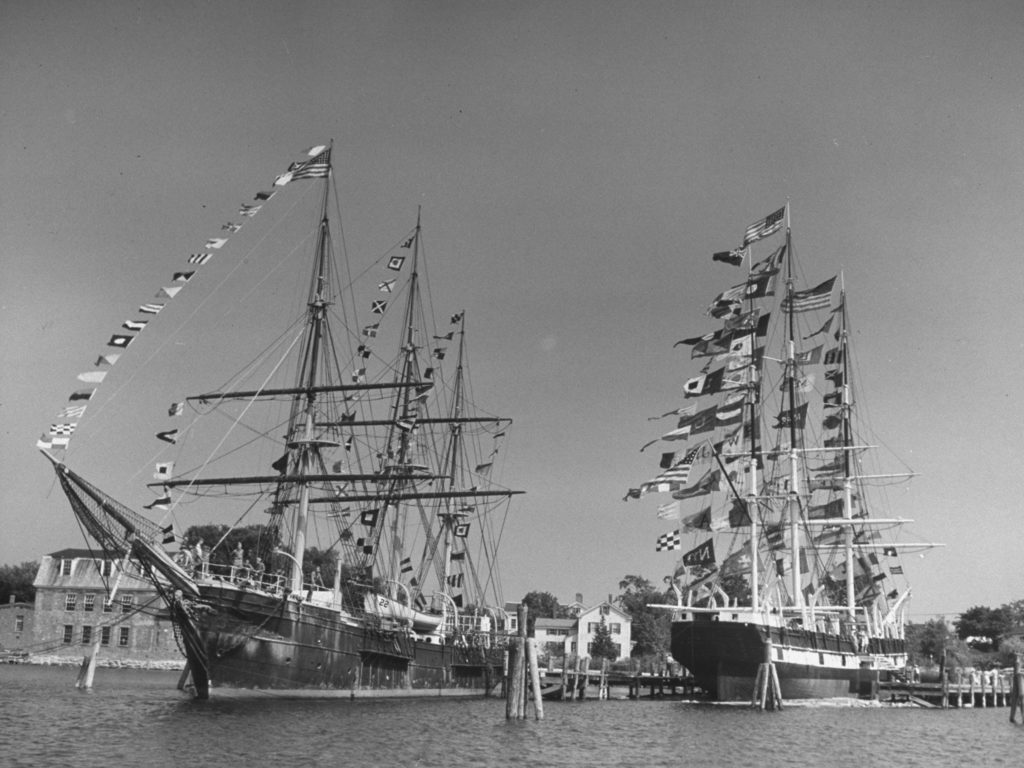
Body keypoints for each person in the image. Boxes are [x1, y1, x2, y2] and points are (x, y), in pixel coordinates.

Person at [1011, 654, 1024, 724]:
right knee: (1021, 697)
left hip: (1018, 678)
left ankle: (1012, 717)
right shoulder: (1018, 663)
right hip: (1019, 678)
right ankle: (1012, 717)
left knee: (1019, 697)